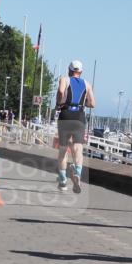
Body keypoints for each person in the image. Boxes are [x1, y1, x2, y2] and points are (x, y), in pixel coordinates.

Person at [55, 60, 95, 193]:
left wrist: (59, 103)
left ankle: (62, 181)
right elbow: (93, 103)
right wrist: (83, 104)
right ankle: (77, 172)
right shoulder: (87, 84)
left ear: (69, 70)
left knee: (63, 149)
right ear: (81, 72)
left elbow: (61, 91)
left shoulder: (64, 79)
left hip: (65, 115)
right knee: (78, 147)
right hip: (79, 116)